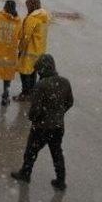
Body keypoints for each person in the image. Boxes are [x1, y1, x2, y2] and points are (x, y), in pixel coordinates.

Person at [11, 54, 74, 191]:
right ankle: (61, 180)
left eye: (39, 70)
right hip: (58, 126)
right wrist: (59, 113)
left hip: (42, 127)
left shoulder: (41, 85)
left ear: (42, 69)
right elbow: (70, 102)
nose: (38, 73)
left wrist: (33, 118)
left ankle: (25, 173)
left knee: (31, 151)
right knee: (57, 152)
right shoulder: (65, 82)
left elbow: (35, 109)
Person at [14, 0, 50, 102]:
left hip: (29, 50)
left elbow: (26, 36)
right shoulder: (44, 18)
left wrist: (21, 48)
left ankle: (25, 93)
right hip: (40, 51)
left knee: (24, 72)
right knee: (33, 71)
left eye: (28, 5)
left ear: (31, 6)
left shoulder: (31, 19)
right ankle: (32, 93)